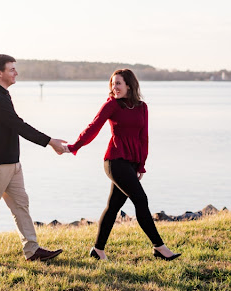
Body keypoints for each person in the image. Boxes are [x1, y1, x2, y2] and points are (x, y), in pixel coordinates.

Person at [66, 69, 181, 261]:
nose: (114, 87)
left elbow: (143, 137)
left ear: (129, 85)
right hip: (115, 161)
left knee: (113, 207)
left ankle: (98, 250)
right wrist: (74, 146)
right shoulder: (112, 105)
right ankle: (159, 247)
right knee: (141, 200)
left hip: (131, 163)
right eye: (112, 84)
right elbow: (93, 127)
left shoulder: (142, 107)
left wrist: (141, 165)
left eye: (118, 83)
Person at [0, 54, 68, 266]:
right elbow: (18, 125)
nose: (16, 72)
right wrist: (50, 141)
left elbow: (13, 126)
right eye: (11, 69)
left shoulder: (3, 94)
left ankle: (32, 250)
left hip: (11, 163)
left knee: (21, 205)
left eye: (15, 68)